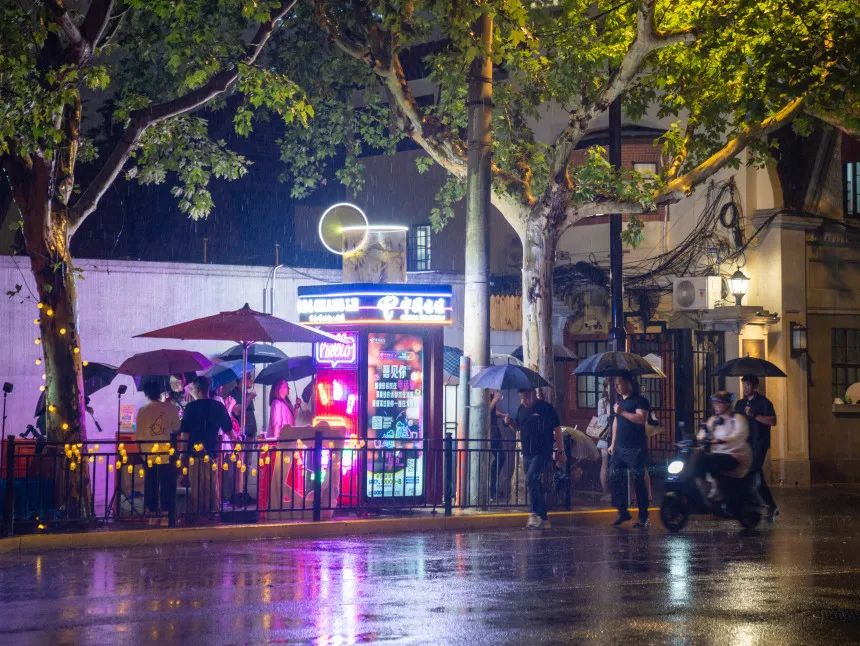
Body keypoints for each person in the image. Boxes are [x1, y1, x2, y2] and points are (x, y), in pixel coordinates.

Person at [504, 388, 566, 529]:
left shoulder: (546, 408)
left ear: (532, 395)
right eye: (521, 398)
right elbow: (518, 427)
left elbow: (557, 429)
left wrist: (560, 451)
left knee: (531, 478)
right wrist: (509, 423)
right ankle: (542, 517)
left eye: (525, 397)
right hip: (527, 452)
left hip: (542, 452)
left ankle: (535, 514)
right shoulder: (521, 409)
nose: (523, 401)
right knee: (533, 483)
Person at [180, 376, 232, 518]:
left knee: (196, 485)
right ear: (208, 388)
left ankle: (197, 512)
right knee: (212, 484)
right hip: (212, 449)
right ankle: (212, 512)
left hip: (194, 452)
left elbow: (185, 433)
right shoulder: (218, 406)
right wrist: (237, 441)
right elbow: (229, 429)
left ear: (197, 389)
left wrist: (183, 453)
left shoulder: (190, 407)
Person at [608, 372, 651, 528]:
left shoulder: (640, 401)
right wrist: (613, 443)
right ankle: (622, 511)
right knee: (613, 476)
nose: (616, 387)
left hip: (635, 448)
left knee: (638, 481)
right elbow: (616, 422)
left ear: (628, 383)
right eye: (615, 384)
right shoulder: (619, 402)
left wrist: (621, 412)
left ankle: (643, 517)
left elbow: (641, 419)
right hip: (620, 448)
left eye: (619, 383)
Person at [135, 380, 180, 525]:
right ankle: (166, 515)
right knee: (167, 483)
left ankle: (153, 514)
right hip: (166, 452)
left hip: (148, 453)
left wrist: (141, 452)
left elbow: (139, 435)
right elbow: (176, 428)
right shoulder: (171, 408)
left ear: (146, 394)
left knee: (150, 483)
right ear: (160, 392)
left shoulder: (142, 410)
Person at [734, 375, 778, 521]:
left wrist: (754, 415)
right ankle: (764, 505)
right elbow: (736, 422)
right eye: (744, 385)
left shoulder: (764, 403)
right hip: (744, 445)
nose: (745, 388)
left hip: (759, 444)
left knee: (753, 471)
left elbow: (772, 421)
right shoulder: (740, 404)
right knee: (753, 475)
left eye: (748, 385)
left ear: (755, 386)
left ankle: (760, 505)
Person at [698, 391, 752, 500]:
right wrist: (694, 440)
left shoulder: (737, 419)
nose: (716, 406)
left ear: (728, 404)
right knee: (697, 461)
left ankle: (716, 488)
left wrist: (722, 441)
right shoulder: (713, 420)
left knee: (711, 461)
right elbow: (701, 435)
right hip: (717, 454)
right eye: (714, 403)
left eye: (719, 403)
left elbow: (738, 436)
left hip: (735, 456)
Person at [595, 379, 612, 501]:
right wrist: (608, 414)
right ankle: (605, 492)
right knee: (605, 463)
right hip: (606, 436)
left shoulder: (618, 400)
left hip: (617, 435)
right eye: (610, 386)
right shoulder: (602, 401)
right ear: (606, 388)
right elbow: (600, 420)